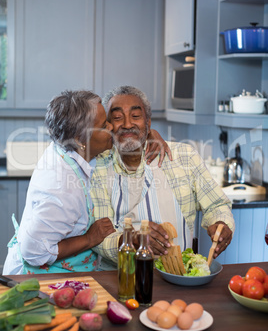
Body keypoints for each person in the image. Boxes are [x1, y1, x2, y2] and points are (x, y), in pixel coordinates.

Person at [3, 90, 170, 275]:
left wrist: (148, 133)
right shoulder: (62, 189)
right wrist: (90, 238)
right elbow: (33, 252)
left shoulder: (70, 147)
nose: (113, 127)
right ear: (80, 138)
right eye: (104, 125)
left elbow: (127, 136)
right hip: (40, 282)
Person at [90, 86, 235, 269]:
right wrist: (132, 240)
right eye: (117, 118)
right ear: (108, 125)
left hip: (179, 275)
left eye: (135, 116)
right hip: (123, 277)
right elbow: (100, 239)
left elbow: (217, 205)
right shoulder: (99, 168)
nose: (127, 124)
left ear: (148, 123)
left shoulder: (184, 156)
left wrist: (221, 223)